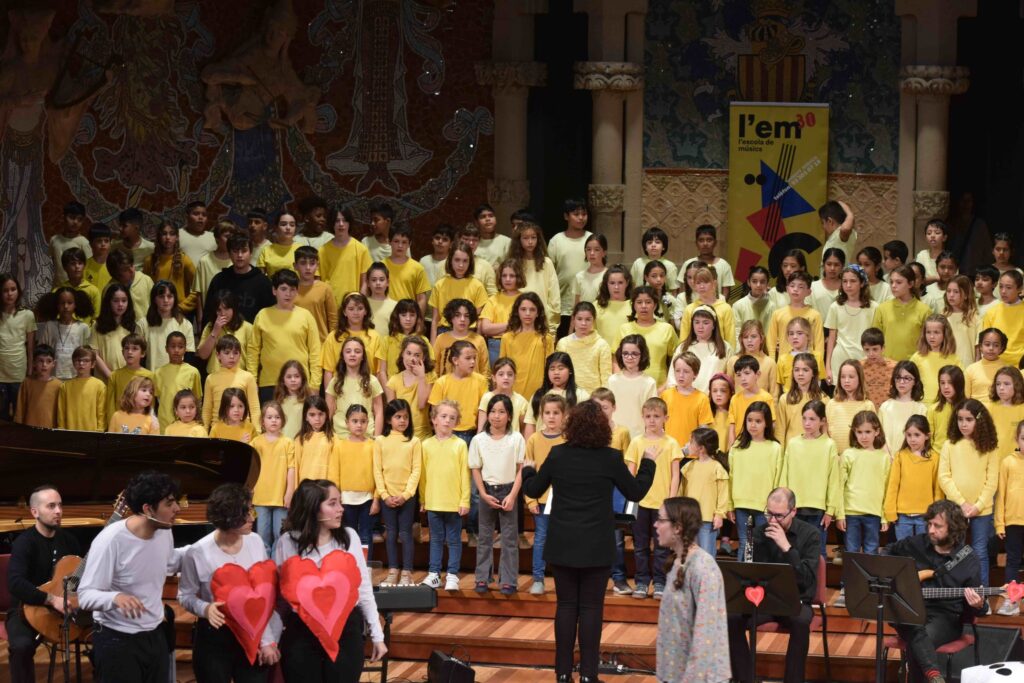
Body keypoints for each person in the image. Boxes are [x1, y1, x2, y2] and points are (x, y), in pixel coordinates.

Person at [522, 399, 656, 683]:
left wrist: (528, 470)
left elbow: (533, 489)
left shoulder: (558, 454)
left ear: (571, 424)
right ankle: (588, 675)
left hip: (563, 542)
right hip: (596, 543)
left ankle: (562, 674)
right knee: (591, 608)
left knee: (566, 606)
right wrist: (648, 463)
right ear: (602, 428)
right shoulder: (610, 458)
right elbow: (635, 492)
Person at [78, 471, 186, 683]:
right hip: (117, 639)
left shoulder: (164, 531)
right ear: (147, 509)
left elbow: (165, 562)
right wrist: (116, 597)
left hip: (154, 633)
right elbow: (84, 596)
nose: (177, 509)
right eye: (169, 504)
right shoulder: (110, 540)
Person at [273, 479, 386, 681]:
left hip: (345, 632)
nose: (341, 509)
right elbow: (281, 600)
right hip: (301, 632)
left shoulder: (349, 537)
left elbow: (363, 591)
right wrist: (270, 641)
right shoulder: (287, 542)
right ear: (312, 508)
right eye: (332, 503)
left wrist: (377, 635)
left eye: (339, 502)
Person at [178, 484, 282, 681]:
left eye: (251, 510)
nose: (252, 518)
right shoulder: (197, 552)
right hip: (216, 635)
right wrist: (205, 608)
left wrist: (267, 640)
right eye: (245, 513)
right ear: (227, 516)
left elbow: (262, 598)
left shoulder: (255, 541)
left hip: (252, 633)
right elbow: (185, 596)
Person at [884, 500, 986, 683]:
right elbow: (888, 552)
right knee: (912, 623)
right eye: (929, 524)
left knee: (920, 639)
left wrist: (978, 605)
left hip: (946, 617)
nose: (931, 530)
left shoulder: (969, 560)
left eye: (937, 526)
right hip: (911, 609)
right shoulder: (917, 543)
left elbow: (976, 610)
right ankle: (934, 676)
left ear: (953, 528)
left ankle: (932, 676)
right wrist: (897, 580)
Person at [728, 487, 819, 683]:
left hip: (795, 601)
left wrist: (786, 547)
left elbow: (807, 580)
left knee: (801, 622)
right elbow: (747, 573)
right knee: (731, 618)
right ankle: (745, 679)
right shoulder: (758, 533)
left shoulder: (810, 534)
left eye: (779, 516)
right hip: (763, 600)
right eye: (769, 513)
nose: (772, 521)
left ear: (793, 511)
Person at [6, 486, 82, 683]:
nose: (58, 511)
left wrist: (72, 596)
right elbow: (15, 583)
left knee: (104, 634)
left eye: (60, 505)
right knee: (21, 647)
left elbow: (79, 577)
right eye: (51, 506)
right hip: (27, 609)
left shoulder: (69, 540)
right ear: (35, 512)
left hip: (66, 608)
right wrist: (51, 599)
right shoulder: (24, 543)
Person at [655, 496, 730, 683]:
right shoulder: (677, 562)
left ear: (677, 527)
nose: (655, 525)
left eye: (661, 520)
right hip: (675, 672)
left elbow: (707, 631)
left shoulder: (703, 566)